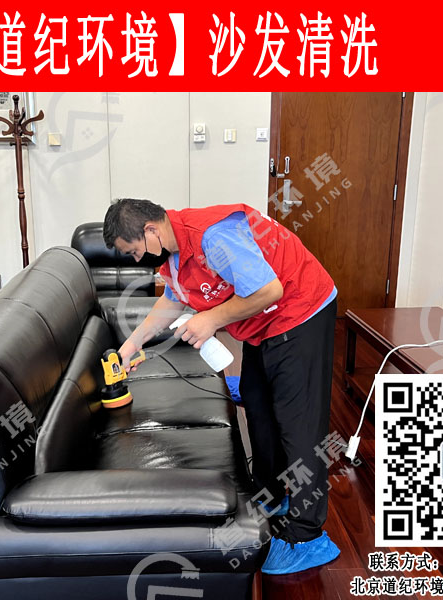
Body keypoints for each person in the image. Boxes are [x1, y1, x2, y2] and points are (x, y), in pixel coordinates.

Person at [102, 198, 340, 575]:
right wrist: (130, 345)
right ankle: (273, 493)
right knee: (259, 408)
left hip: (301, 311)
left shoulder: (214, 237)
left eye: (134, 250)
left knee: (299, 426)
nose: (137, 259)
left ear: (150, 230)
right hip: (263, 326)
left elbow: (268, 290)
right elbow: (172, 300)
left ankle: (307, 537)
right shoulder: (176, 254)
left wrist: (210, 319)